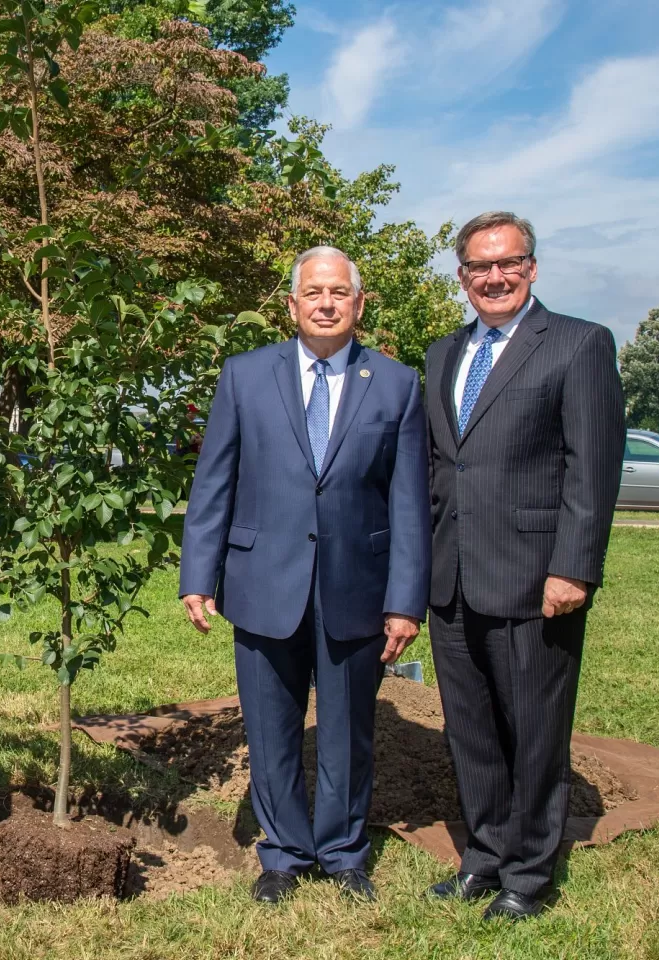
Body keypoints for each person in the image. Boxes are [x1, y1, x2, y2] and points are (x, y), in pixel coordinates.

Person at [180, 246, 431, 905]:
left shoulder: (398, 386)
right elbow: (215, 485)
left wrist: (406, 601)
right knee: (271, 726)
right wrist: (196, 576)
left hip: (358, 586)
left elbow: (409, 504)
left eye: (339, 293)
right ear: (291, 306)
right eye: (313, 293)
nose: (326, 303)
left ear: (359, 303)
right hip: (262, 582)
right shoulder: (243, 376)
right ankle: (284, 854)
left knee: (349, 728)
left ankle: (345, 853)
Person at [422, 212, 624, 921]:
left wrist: (574, 569)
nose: (495, 277)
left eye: (509, 263)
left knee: (536, 733)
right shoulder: (443, 354)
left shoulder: (578, 345)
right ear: (463, 277)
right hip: (450, 583)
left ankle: (530, 876)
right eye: (480, 267)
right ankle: (483, 857)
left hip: (537, 582)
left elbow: (591, 471)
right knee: (470, 731)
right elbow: (442, 467)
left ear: (532, 268)